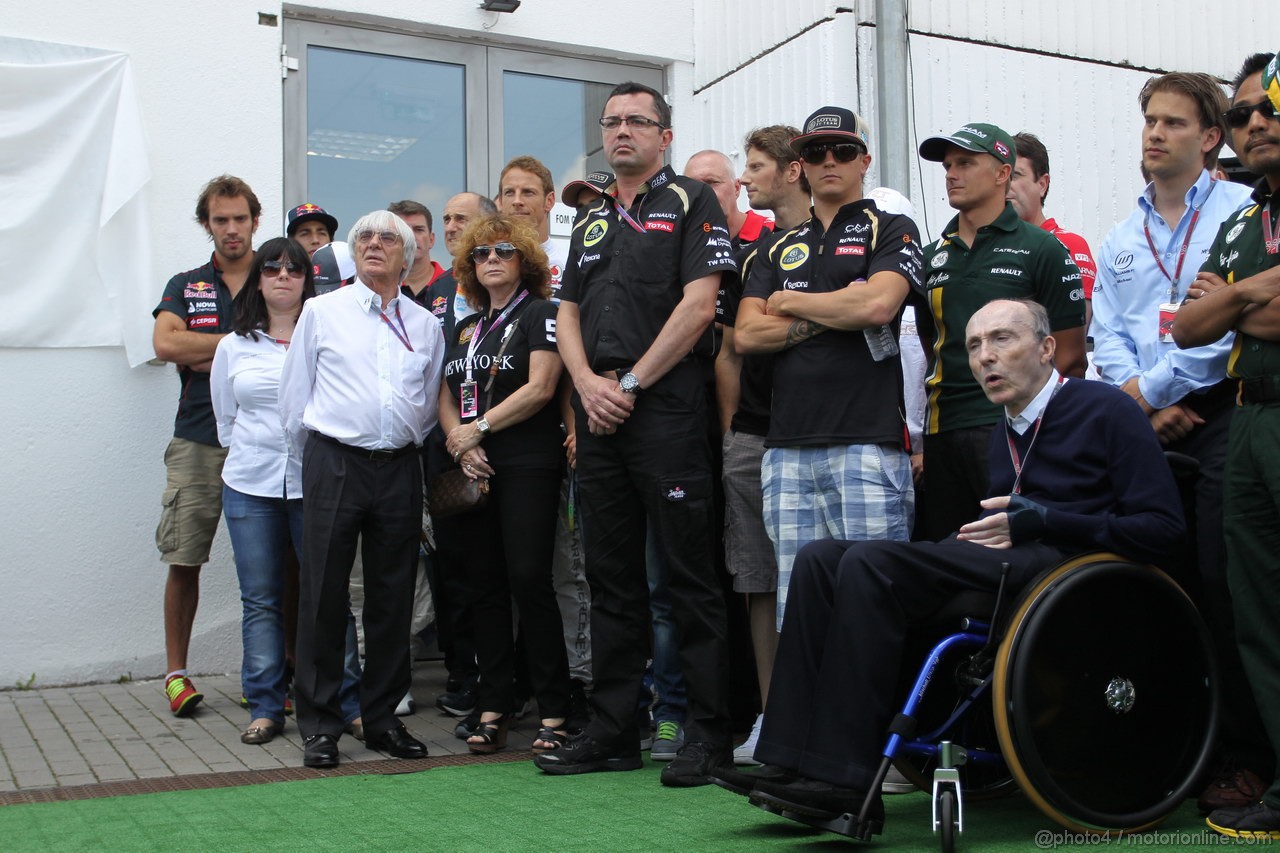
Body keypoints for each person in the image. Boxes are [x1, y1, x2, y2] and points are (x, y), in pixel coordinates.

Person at [712, 298, 1184, 836]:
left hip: (1069, 576)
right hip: (1003, 566)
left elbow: (1162, 529)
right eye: (975, 346)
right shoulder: (1002, 432)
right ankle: (788, 758)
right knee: (820, 560)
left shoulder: (1104, 409)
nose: (986, 358)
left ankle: (844, 778)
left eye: (1003, 339)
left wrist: (1043, 520)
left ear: (1048, 348)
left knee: (869, 562)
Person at [535, 81, 738, 787]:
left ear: (664, 136)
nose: (622, 132)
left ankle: (709, 734)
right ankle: (614, 730)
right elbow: (564, 312)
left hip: (665, 409)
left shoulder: (690, 202)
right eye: (612, 122)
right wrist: (589, 382)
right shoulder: (588, 222)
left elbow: (700, 303)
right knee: (610, 578)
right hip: (599, 414)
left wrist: (628, 383)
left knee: (689, 577)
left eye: (637, 121)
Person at [1091, 71, 1264, 814]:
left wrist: (1155, 391)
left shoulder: (1241, 211)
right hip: (1147, 428)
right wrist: (1139, 404)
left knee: (1230, 586)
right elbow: (1107, 336)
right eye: (1149, 122)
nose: (1154, 134)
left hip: (1224, 409)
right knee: (1165, 583)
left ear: (1211, 137)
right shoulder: (1121, 237)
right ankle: (1182, 743)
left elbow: (1225, 319)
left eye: (1173, 123)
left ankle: (1248, 754)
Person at [736, 106, 922, 630]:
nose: (829, 161)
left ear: (864, 160)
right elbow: (749, 335)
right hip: (787, 448)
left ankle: (874, 715)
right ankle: (806, 715)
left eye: (842, 151)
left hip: (866, 442)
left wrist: (791, 303)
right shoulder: (775, 246)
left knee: (873, 606)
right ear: (801, 164)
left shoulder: (891, 225)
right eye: (815, 152)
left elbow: (878, 308)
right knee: (799, 610)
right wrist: (839, 303)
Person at [279, 210, 446, 768]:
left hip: (398, 468)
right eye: (365, 238)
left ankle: (380, 722)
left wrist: (392, 445)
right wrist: (322, 462)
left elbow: (425, 410)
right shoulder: (321, 312)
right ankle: (321, 726)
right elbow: (293, 401)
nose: (374, 245)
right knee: (324, 594)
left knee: (392, 598)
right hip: (333, 464)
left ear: (408, 255)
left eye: (387, 239)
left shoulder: (425, 324)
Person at [1173, 50, 1280, 840]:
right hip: (1248, 419)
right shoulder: (1245, 218)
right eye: (1242, 114)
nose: (1255, 124)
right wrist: (1250, 294)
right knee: (1257, 608)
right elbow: (1188, 325)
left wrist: (1229, 302)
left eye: (1268, 109)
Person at [435, 214, 572, 755]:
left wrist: (480, 429)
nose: (491, 259)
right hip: (473, 466)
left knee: (528, 579)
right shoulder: (465, 329)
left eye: (504, 251)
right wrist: (459, 441)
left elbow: (541, 388)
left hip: (528, 461)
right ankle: (494, 705)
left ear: (525, 261)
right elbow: (445, 394)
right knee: (484, 585)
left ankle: (556, 709)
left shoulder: (543, 312)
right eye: (481, 253)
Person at [917, 123, 1087, 542]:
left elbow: (1069, 356)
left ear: (1002, 173)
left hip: (1016, 429)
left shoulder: (1042, 248)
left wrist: (1030, 420)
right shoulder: (930, 256)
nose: (951, 174)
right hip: (942, 430)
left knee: (1018, 553)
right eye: (948, 166)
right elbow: (932, 343)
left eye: (966, 163)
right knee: (945, 557)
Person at [151, 175, 260, 717]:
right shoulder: (186, 283)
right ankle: (175, 674)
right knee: (184, 557)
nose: (232, 229)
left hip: (264, 440)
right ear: (206, 225)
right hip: (197, 437)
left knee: (271, 561)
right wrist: (242, 344)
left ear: (255, 221)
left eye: (240, 218)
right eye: (221, 220)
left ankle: (265, 673)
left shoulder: (280, 275)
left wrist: (207, 352)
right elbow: (166, 342)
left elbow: (299, 346)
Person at [718, 125, 809, 766]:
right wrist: (731, 429)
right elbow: (736, 344)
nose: (746, 178)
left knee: (813, 579)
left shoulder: (847, 240)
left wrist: (794, 318)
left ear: (792, 170)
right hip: (751, 435)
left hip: (815, 434)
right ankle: (773, 720)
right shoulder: (753, 253)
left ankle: (823, 718)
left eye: (755, 166)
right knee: (757, 580)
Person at [1007, 133, 1098, 330]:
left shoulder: (1068, 243)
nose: (1006, 185)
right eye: (1001, 176)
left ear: (1042, 184)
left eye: (1015, 175)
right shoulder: (989, 247)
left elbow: (1078, 330)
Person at [425, 192, 499, 341]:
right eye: (446, 220)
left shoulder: (503, 279)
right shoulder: (437, 287)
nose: (450, 228)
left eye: (460, 219)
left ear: (487, 223)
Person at [390, 199, 447, 306]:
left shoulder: (454, 285)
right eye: (403, 231)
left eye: (418, 230)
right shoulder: (379, 289)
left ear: (431, 239)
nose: (411, 237)